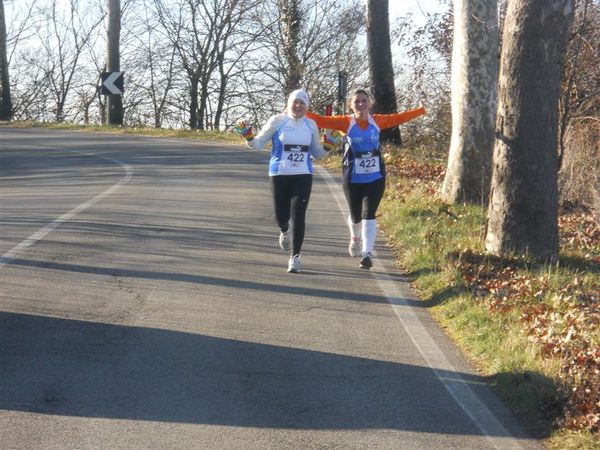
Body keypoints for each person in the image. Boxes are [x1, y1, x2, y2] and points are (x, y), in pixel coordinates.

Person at [307, 89, 425, 269]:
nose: (360, 104)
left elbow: (398, 118)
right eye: (356, 102)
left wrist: (420, 110)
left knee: (368, 213)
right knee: (355, 216)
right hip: (352, 177)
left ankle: (367, 253)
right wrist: (297, 110)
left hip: (375, 175)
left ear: (369, 103)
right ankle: (355, 238)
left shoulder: (376, 120)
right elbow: (321, 120)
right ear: (351, 106)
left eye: (364, 101)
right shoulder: (345, 122)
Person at [236, 89, 327, 273]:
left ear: (307, 106)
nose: (298, 106)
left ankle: (295, 258)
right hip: (279, 174)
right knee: (281, 216)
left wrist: (329, 144)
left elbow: (318, 154)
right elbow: (257, 144)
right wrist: (247, 136)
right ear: (289, 104)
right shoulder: (278, 121)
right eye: (295, 102)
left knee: (299, 214)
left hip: (303, 175)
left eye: (302, 103)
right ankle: (284, 229)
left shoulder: (311, 125)